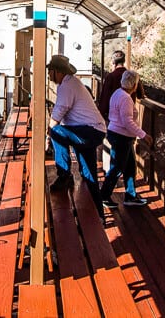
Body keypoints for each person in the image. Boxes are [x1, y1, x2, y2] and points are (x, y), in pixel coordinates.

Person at [46, 54, 107, 221]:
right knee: (89, 173)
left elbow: (59, 111)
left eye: (49, 71)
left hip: (89, 131)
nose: (48, 75)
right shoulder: (71, 83)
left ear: (57, 72)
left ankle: (64, 174)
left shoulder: (67, 85)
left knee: (57, 132)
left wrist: (48, 134)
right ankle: (99, 216)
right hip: (92, 130)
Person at [100, 69, 150, 208]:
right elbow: (127, 122)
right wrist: (143, 135)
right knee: (117, 168)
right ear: (134, 84)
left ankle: (130, 196)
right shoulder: (125, 98)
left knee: (129, 167)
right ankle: (103, 196)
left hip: (118, 134)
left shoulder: (117, 93)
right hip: (121, 136)